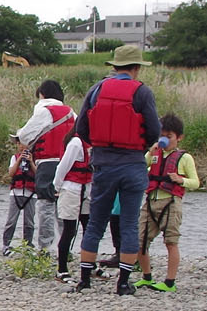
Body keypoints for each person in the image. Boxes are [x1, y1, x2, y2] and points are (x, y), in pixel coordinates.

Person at [69, 44, 161, 295]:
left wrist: (99, 147)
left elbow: (82, 127)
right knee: (130, 223)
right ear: (136, 68)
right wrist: (139, 147)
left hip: (103, 163)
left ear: (114, 66)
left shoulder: (97, 89)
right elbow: (154, 130)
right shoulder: (142, 92)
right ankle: (123, 282)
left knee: (96, 221)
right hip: (132, 163)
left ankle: (85, 280)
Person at [136, 113, 198, 291]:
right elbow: (142, 165)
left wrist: (180, 179)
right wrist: (151, 152)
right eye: (162, 135)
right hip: (151, 201)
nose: (165, 140)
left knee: (170, 241)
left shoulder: (184, 158)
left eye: (169, 136)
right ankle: (146, 277)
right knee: (140, 241)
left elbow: (195, 182)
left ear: (179, 137)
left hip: (170, 203)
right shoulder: (155, 154)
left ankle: (170, 282)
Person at [14, 80, 72, 254]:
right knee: (63, 207)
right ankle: (65, 248)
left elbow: (24, 136)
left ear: (43, 94)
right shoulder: (71, 113)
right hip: (68, 163)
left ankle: (45, 248)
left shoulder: (45, 111)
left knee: (45, 206)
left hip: (47, 164)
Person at [51, 131, 92, 280]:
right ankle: (61, 269)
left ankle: (90, 264)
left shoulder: (93, 142)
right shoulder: (76, 143)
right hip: (71, 190)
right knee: (69, 230)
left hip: (86, 191)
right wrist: (57, 187)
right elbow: (63, 167)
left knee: (89, 229)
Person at [0, 144, 37, 255]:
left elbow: (38, 174)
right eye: (19, 144)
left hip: (31, 194)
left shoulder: (35, 158)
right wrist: (20, 159)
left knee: (29, 222)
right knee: (11, 221)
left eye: (24, 144)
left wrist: (31, 162)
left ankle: (28, 246)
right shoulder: (14, 157)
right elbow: (11, 173)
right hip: (16, 193)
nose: (21, 146)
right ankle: (6, 245)